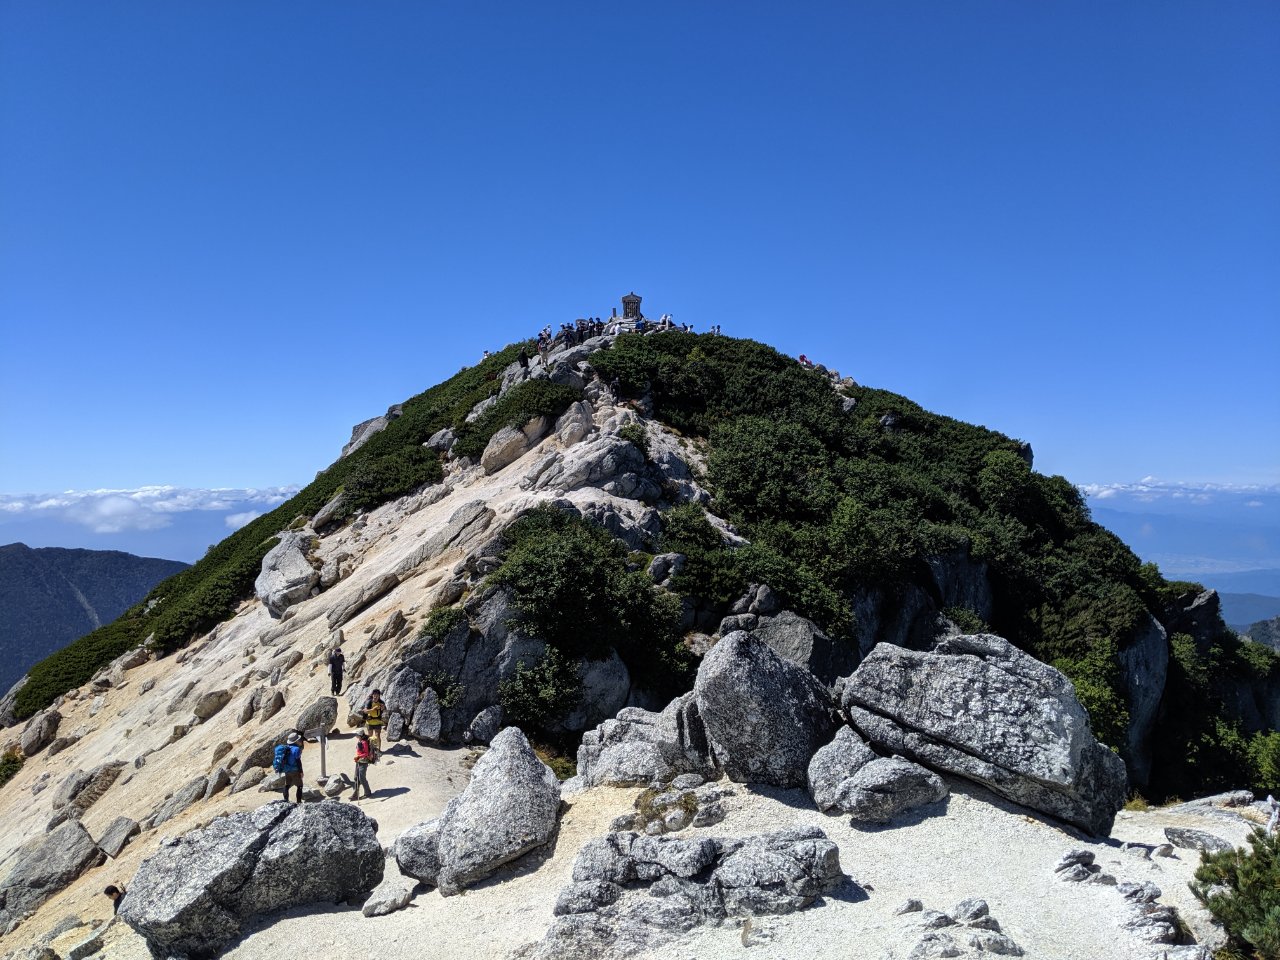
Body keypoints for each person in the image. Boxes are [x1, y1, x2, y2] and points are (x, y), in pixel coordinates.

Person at [273, 731, 304, 803]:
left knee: (287, 785)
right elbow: (298, 761)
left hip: (287, 770)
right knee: (300, 786)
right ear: (296, 741)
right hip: (295, 770)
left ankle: (286, 800)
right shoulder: (296, 749)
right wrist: (301, 771)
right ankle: (299, 802)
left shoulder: (287, 748)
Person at [351, 731, 374, 801]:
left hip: (363, 761)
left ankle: (368, 793)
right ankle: (355, 794)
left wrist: (358, 756)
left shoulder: (364, 742)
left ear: (360, 735)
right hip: (359, 761)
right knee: (356, 777)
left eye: (357, 735)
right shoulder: (360, 741)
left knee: (361, 778)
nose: (356, 736)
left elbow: (366, 753)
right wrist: (358, 757)